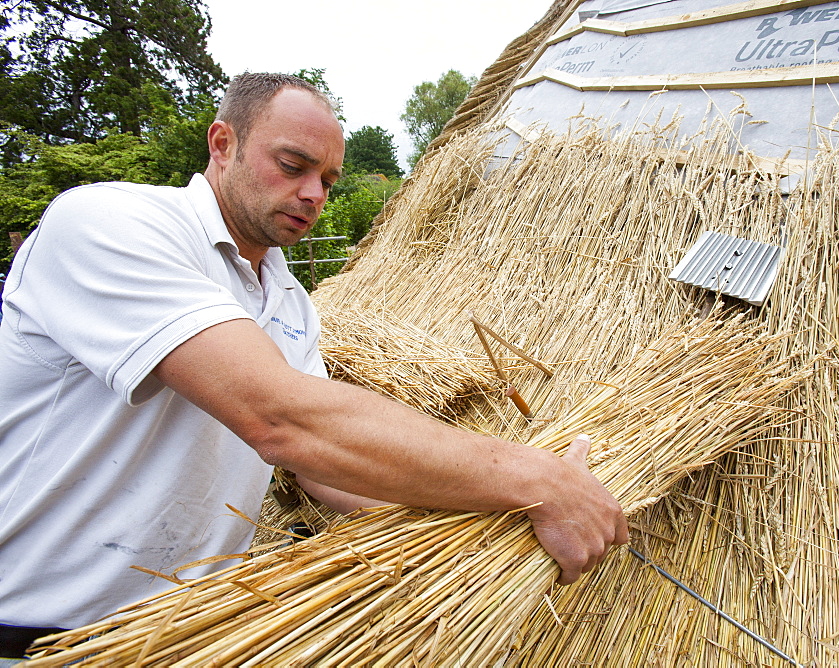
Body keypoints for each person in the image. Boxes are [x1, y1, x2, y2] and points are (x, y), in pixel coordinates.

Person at [0, 72, 628, 660]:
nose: (312, 194)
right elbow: (283, 419)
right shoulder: (110, 223)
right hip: (36, 633)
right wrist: (536, 480)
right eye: (292, 165)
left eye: (327, 179)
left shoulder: (289, 299)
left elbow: (320, 471)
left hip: (182, 635)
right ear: (224, 144)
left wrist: (487, 508)